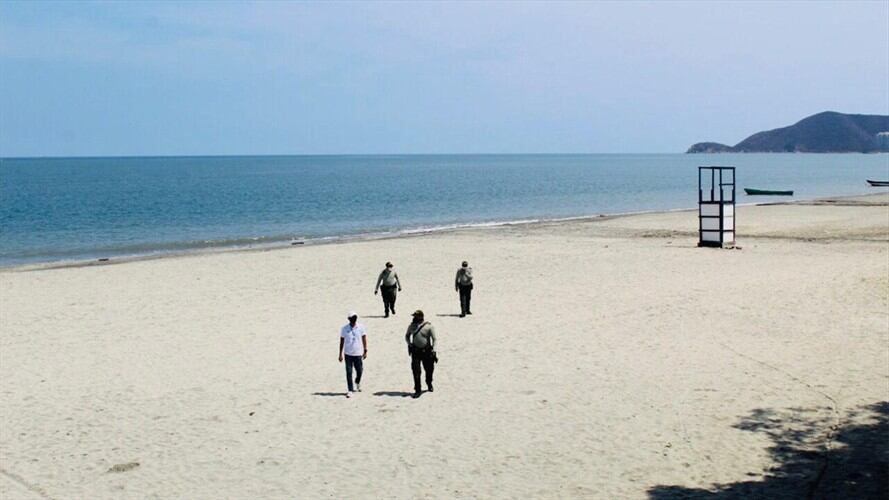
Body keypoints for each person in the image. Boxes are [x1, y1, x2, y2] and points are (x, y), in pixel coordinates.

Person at [405, 310, 436, 398]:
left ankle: (429, 383)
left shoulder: (428, 326)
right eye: (414, 316)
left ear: (421, 317)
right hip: (415, 352)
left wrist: (434, 349)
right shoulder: (411, 326)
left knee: (429, 370)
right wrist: (409, 343)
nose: (414, 318)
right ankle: (417, 389)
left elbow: (435, 339)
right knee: (416, 371)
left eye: (416, 316)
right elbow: (407, 335)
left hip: (427, 352)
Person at [338, 311, 367, 398]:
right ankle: (350, 390)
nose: (354, 320)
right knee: (349, 372)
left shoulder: (360, 327)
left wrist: (365, 350)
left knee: (360, 370)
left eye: (355, 318)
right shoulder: (344, 328)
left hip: (358, 353)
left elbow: (364, 338)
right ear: (349, 319)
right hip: (348, 354)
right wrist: (340, 354)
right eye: (352, 318)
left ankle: (357, 381)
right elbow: (342, 341)